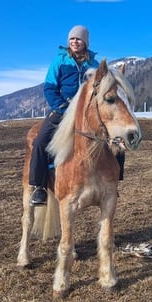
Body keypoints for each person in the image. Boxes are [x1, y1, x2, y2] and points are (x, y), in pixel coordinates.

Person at [28, 25, 99, 205]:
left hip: (86, 112)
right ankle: (39, 188)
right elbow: (49, 87)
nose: (75, 41)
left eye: (79, 39)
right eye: (72, 39)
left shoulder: (94, 65)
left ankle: (112, 182)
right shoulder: (60, 60)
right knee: (40, 142)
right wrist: (60, 105)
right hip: (63, 110)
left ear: (85, 42)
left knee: (112, 140)